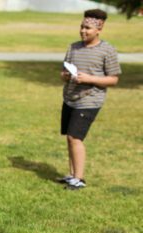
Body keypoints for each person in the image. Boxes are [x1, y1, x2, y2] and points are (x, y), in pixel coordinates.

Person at [59, 9, 121, 190]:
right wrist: (67, 76)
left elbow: (113, 79)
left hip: (90, 100)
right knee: (69, 138)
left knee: (75, 137)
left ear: (99, 29)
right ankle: (71, 175)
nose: (83, 31)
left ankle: (79, 179)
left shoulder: (107, 50)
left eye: (87, 28)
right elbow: (63, 73)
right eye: (81, 27)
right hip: (70, 97)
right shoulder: (73, 47)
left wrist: (89, 79)